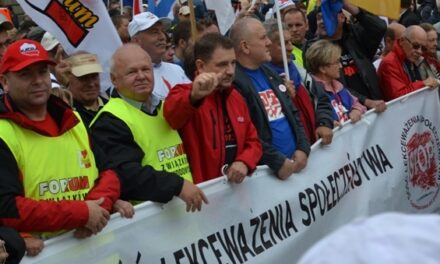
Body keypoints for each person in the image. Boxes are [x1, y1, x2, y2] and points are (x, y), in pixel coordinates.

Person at [0, 39, 122, 254]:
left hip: (100, 249)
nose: (38, 81)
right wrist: (81, 213)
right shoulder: (3, 133)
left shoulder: (73, 119)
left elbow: (109, 171)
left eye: (42, 71)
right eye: (25, 74)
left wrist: (98, 207)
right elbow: (7, 208)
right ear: (5, 82)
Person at [90, 44, 208, 212]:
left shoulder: (165, 108)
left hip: (184, 213)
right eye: (132, 72)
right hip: (149, 223)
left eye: (146, 69)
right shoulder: (109, 121)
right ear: (114, 80)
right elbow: (126, 175)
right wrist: (177, 185)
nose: (141, 76)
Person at [164, 33, 262, 184]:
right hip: (203, 196)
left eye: (233, 63)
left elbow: (254, 142)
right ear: (201, 66)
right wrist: (194, 97)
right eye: (222, 64)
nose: (230, 71)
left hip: (236, 191)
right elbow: (172, 117)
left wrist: (244, 161)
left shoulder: (236, 97)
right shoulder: (184, 93)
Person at [230, 17, 310, 180]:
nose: (268, 42)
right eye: (263, 38)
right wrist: (276, 161)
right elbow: (246, 134)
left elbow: (293, 114)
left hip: (293, 169)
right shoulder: (234, 84)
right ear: (245, 46)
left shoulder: (271, 74)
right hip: (266, 177)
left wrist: (303, 147)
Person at [264, 20, 334, 144]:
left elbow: (322, 100)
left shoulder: (300, 72)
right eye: (284, 43)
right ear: (267, 46)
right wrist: (285, 99)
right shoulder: (263, 81)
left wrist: (323, 123)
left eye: (290, 42)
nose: (290, 47)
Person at [311, 1, 387, 113]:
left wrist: (350, 7)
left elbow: (380, 27)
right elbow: (331, 85)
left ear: (342, 17)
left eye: (328, 15)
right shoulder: (315, 50)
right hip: (349, 113)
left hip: (376, 105)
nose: (322, 22)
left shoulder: (356, 37)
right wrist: (365, 101)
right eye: (318, 18)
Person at [129, 12, 190, 100]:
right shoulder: (132, 79)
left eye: (162, 31)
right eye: (154, 32)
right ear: (136, 41)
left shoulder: (177, 70)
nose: (162, 37)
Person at [306, 39, 366, 125]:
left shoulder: (338, 85)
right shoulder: (312, 91)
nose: (340, 66)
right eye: (337, 62)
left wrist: (356, 110)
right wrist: (328, 124)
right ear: (323, 68)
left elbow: (357, 104)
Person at [378, 25, 439, 101]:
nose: (419, 51)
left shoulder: (410, 57)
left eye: (423, 48)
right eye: (415, 46)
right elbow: (398, 97)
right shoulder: (390, 62)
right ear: (402, 41)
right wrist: (423, 84)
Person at [65, 52, 107, 128]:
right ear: (68, 77)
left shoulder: (113, 107)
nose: (91, 84)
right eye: (83, 78)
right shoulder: (65, 114)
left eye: (94, 76)